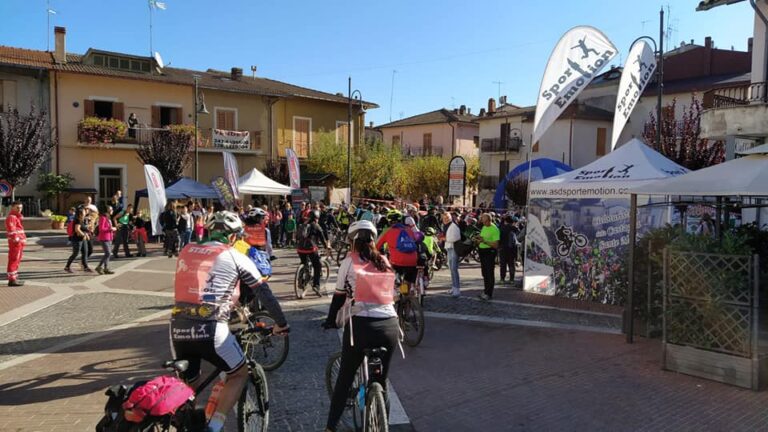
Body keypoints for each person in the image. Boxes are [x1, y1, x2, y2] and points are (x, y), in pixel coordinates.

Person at [170, 211, 288, 432]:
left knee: (189, 386)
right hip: (212, 327)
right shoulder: (235, 255)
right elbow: (264, 293)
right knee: (238, 373)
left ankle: (183, 424)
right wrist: (281, 323)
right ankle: (214, 426)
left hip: (178, 327)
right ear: (234, 237)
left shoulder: (186, 249)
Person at [322, 220, 399, 432]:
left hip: (361, 328)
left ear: (352, 242)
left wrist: (330, 321)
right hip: (390, 326)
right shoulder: (385, 261)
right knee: (381, 382)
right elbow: (393, 295)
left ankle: (330, 428)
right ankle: (383, 422)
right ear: (374, 241)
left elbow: (338, 298)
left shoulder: (349, 262)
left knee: (344, 380)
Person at [376, 210, 419, 287]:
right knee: (408, 279)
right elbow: (418, 239)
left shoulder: (387, 231)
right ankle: (407, 288)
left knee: (391, 272)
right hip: (412, 261)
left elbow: (377, 246)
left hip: (396, 262)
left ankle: (396, 285)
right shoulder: (409, 230)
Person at [296, 210, 328, 294]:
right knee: (317, 265)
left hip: (300, 248)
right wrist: (326, 247)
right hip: (310, 248)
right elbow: (322, 238)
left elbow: (297, 236)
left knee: (304, 263)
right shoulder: (316, 226)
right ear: (316, 218)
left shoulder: (303, 224)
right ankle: (316, 285)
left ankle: (301, 279)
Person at [475, 213, 500, 300]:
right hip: (482, 251)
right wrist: (478, 238)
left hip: (489, 252)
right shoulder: (484, 227)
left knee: (489, 273)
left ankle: (489, 293)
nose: (483, 223)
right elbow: (482, 237)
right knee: (484, 273)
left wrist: (484, 241)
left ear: (489, 220)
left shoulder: (494, 229)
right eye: (483, 221)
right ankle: (485, 291)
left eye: (485, 221)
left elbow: (496, 245)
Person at [5, 201, 26, 286]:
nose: (19, 209)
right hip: (15, 243)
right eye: (17, 207)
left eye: (21, 208)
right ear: (12, 207)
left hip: (18, 243)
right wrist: (16, 239)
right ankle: (12, 280)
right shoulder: (12, 217)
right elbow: (12, 229)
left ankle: (14, 278)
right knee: (14, 260)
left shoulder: (16, 217)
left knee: (17, 260)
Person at [65, 207, 92, 273]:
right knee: (75, 253)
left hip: (83, 239)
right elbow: (77, 230)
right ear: (80, 214)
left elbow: (83, 229)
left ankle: (85, 267)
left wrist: (87, 231)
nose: (85, 212)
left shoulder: (82, 220)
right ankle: (67, 267)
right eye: (83, 212)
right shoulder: (77, 220)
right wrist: (84, 235)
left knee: (85, 252)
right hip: (77, 240)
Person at [441, 211, 462, 297]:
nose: (445, 219)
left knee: (454, 269)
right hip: (449, 247)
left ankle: (457, 289)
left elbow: (456, 237)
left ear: (450, 218)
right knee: (451, 269)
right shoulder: (446, 226)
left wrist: (445, 238)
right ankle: (454, 287)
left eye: (447, 218)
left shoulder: (454, 226)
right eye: (444, 218)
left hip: (454, 248)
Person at [96, 205, 117, 274]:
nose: (112, 211)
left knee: (108, 253)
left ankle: (106, 268)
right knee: (107, 253)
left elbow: (108, 227)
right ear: (107, 211)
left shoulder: (108, 218)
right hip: (104, 238)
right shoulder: (103, 218)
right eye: (111, 209)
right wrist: (111, 229)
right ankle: (99, 267)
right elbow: (101, 229)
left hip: (109, 238)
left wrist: (113, 229)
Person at [498, 215, 519, 285]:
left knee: (503, 265)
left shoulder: (501, 227)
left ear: (505, 221)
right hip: (512, 249)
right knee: (511, 265)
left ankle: (502, 279)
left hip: (503, 248)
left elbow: (499, 238)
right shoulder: (514, 228)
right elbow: (518, 234)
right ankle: (511, 280)